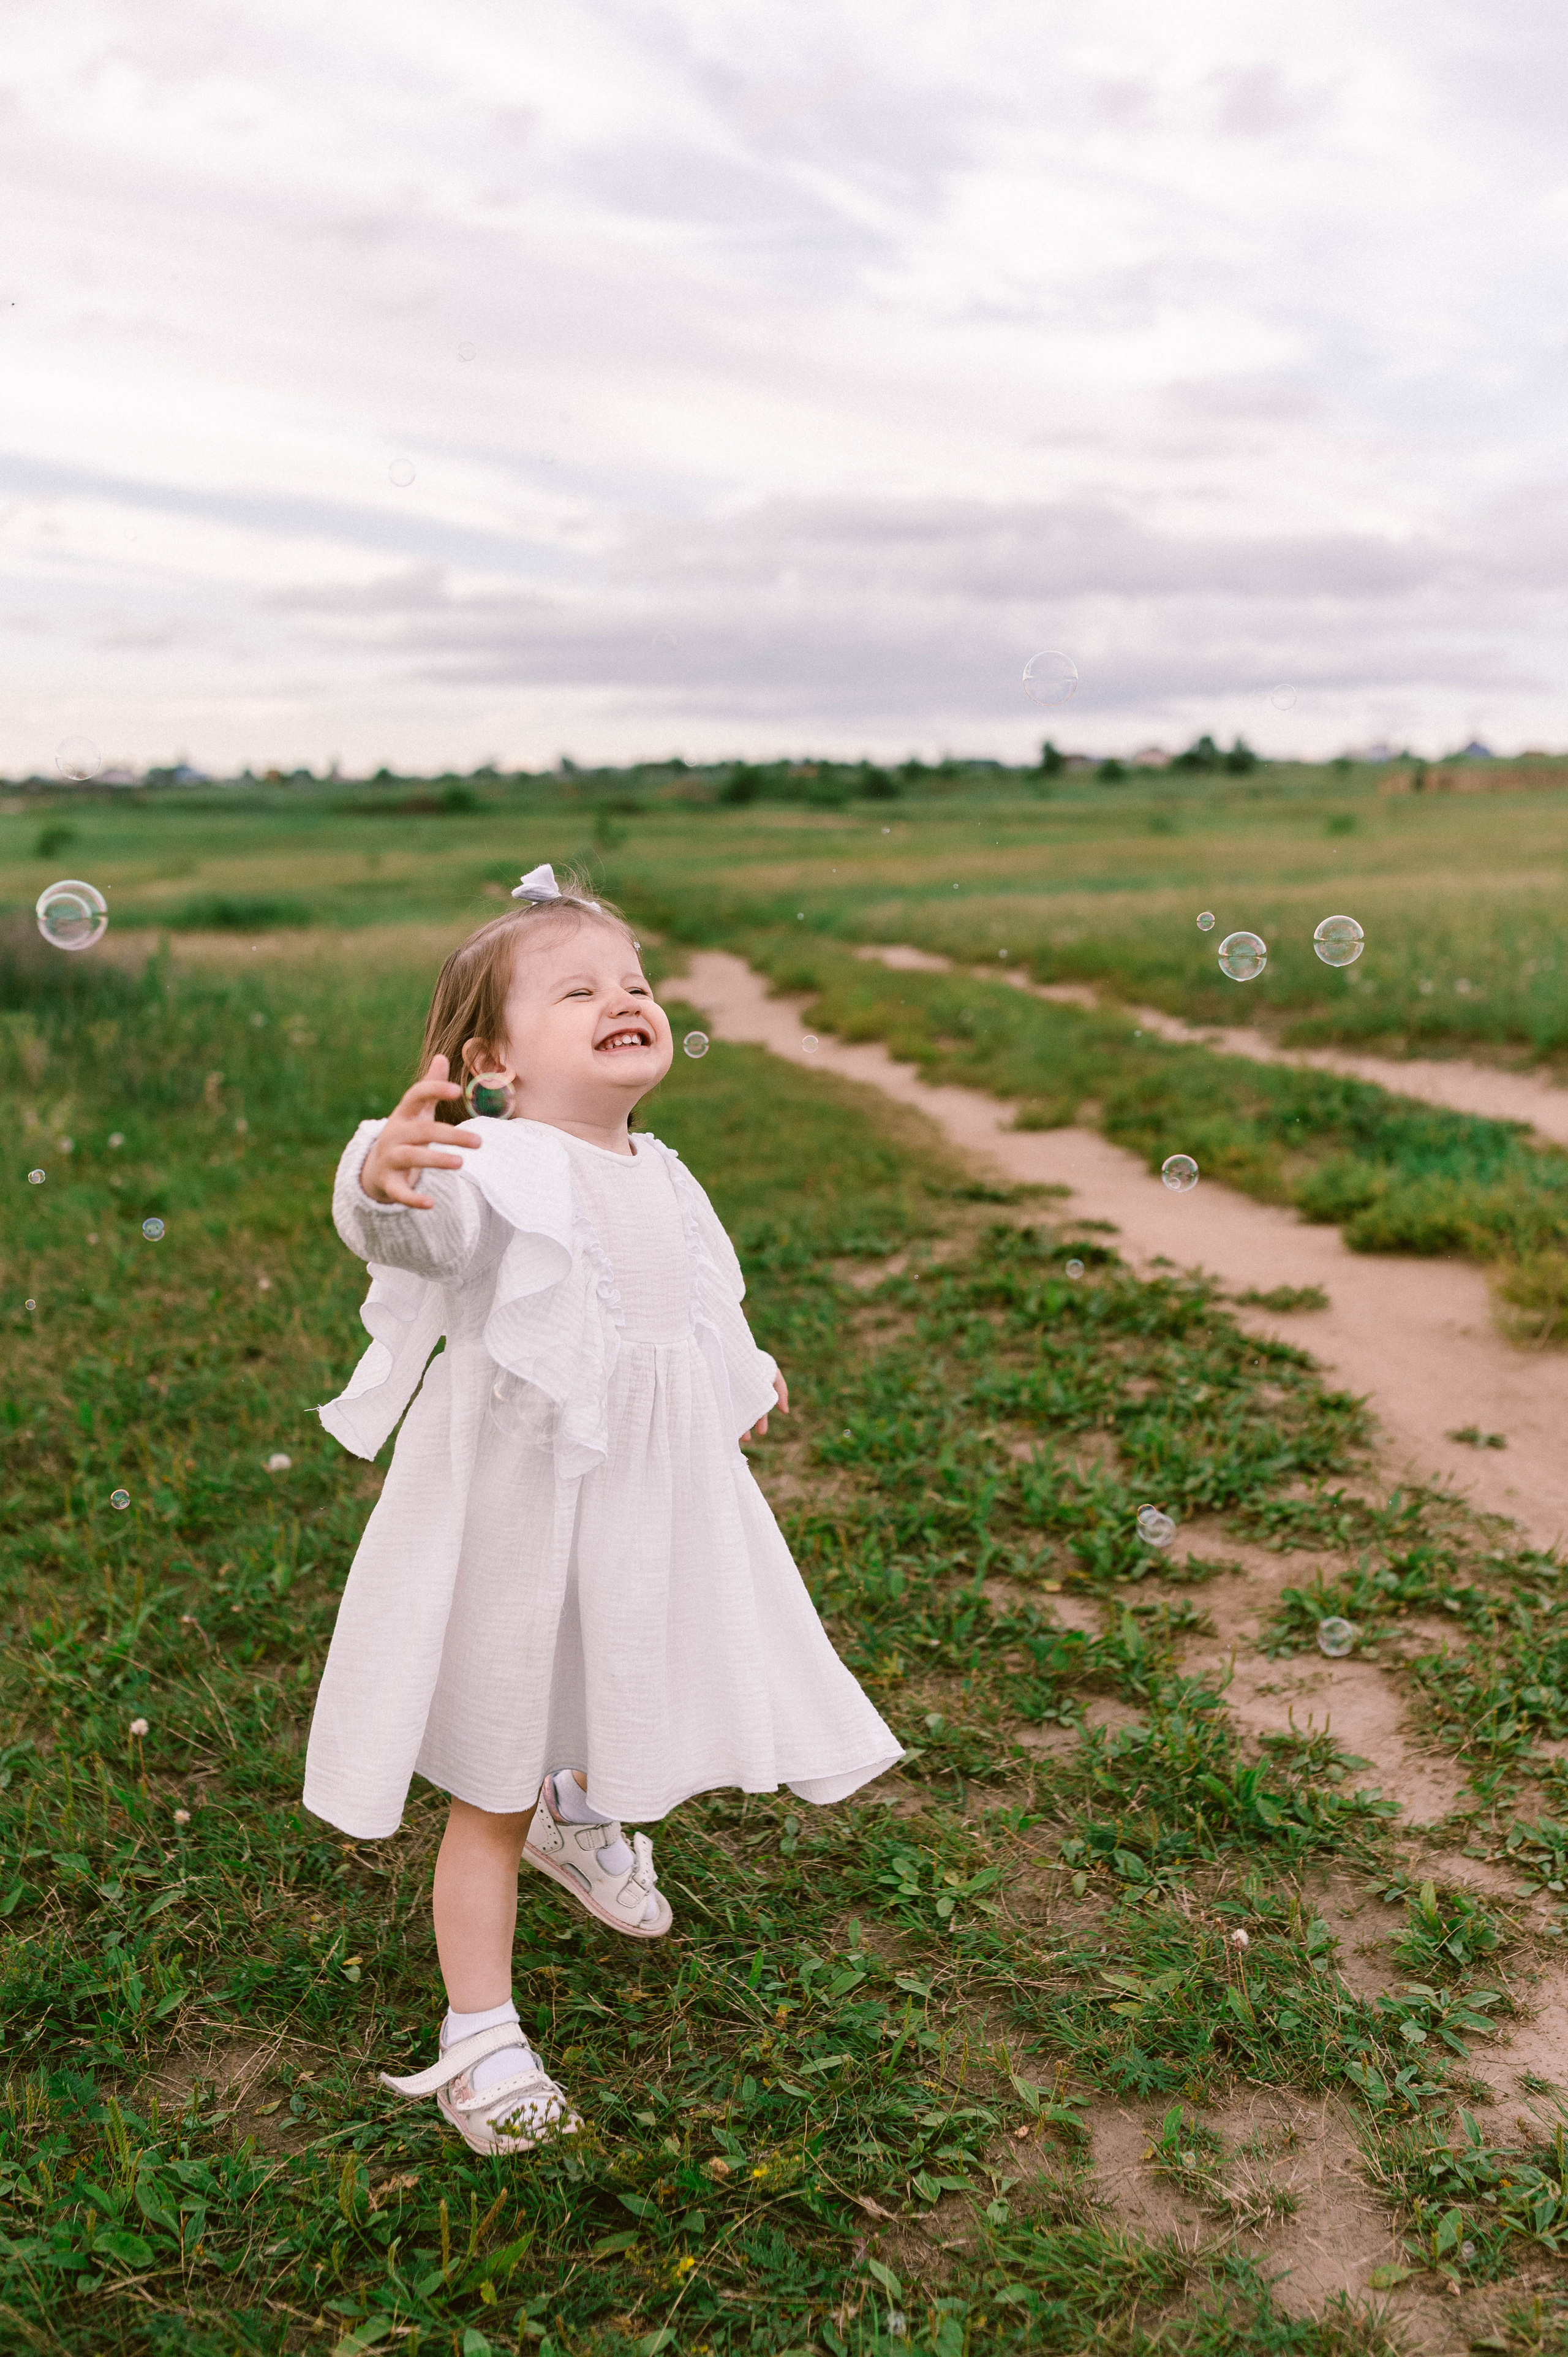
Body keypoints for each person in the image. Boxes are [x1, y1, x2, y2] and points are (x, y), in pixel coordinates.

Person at [304, 864, 900, 2154]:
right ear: (494, 1062)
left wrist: (735, 1377)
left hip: (638, 1503)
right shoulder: (493, 1165)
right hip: (518, 1517)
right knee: (489, 1773)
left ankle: (580, 1815)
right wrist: (383, 1171)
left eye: (633, 982)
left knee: (617, 1660)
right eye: (575, 989)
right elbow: (414, 1230)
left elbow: (692, 1301)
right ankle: (479, 2036)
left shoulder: (665, 1168)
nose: (622, 998)